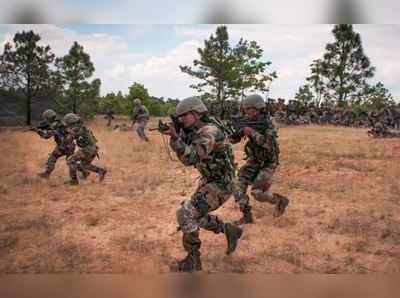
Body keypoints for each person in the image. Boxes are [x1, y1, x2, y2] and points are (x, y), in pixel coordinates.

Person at [160, 96, 243, 272]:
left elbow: (190, 158)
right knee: (193, 216)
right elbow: (186, 157)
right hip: (211, 180)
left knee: (185, 213)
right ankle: (229, 230)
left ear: (197, 113)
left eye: (184, 116)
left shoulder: (209, 132)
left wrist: (176, 137)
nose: (181, 120)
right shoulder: (194, 130)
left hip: (222, 183)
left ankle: (193, 262)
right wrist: (177, 136)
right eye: (179, 117)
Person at [229, 94, 289, 225]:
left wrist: (252, 133)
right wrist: (235, 133)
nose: (246, 112)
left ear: (257, 109)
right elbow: (234, 140)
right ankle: (247, 217)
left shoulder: (269, 123)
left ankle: (280, 200)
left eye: (248, 109)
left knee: (257, 192)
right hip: (254, 160)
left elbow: (268, 144)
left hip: (268, 162)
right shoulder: (247, 121)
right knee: (237, 186)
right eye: (245, 110)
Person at [33, 109, 82, 179]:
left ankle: (46, 174)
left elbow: (46, 136)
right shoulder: (60, 121)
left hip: (63, 145)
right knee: (71, 161)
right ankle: (84, 171)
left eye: (46, 118)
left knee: (53, 157)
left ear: (48, 117)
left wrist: (38, 131)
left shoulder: (55, 125)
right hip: (70, 145)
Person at [63, 113, 107, 185]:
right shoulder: (80, 126)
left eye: (67, 123)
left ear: (70, 122)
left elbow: (69, 139)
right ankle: (100, 171)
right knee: (84, 165)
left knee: (70, 160)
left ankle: (74, 181)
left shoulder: (76, 128)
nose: (67, 124)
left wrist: (66, 133)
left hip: (88, 149)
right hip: (93, 149)